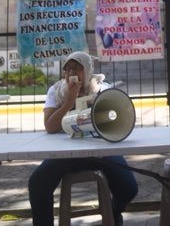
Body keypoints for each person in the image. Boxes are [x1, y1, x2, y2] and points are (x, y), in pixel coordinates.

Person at [28, 51, 138, 225]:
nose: (71, 73)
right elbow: (50, 126)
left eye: (77, 69)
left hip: (100, 152)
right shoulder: (56, 91)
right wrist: (69, 102)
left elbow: (113, 120)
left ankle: (114, 213)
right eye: (68, 69)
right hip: (65, 155)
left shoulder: (102, 89)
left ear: (87, 70)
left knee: (129, 188)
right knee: (37, 183)